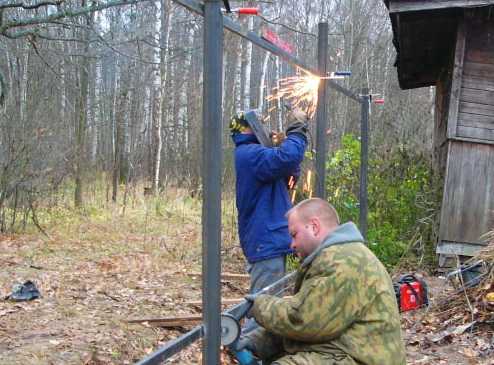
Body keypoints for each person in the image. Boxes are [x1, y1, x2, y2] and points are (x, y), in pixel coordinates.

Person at [238, 198, 406, 365]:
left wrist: (259, 306)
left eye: (294, 235)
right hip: (343, 351)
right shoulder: (337, 255)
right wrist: (256, 342)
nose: (292, 244)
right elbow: (307, 322)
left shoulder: (342, 261)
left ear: (314, 227)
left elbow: (303, 321)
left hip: (360, 358)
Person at [230, 109, 308, 331]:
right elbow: (288, 157)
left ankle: (253, 350)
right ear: (247, 128)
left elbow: (290, 178)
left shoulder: (258, 155)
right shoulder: (249, 154)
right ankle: (248, 352)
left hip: (268, 240)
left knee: (268, 304)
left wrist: (284, 144)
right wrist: (296, 132)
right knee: (264, 309)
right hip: (265, 240)